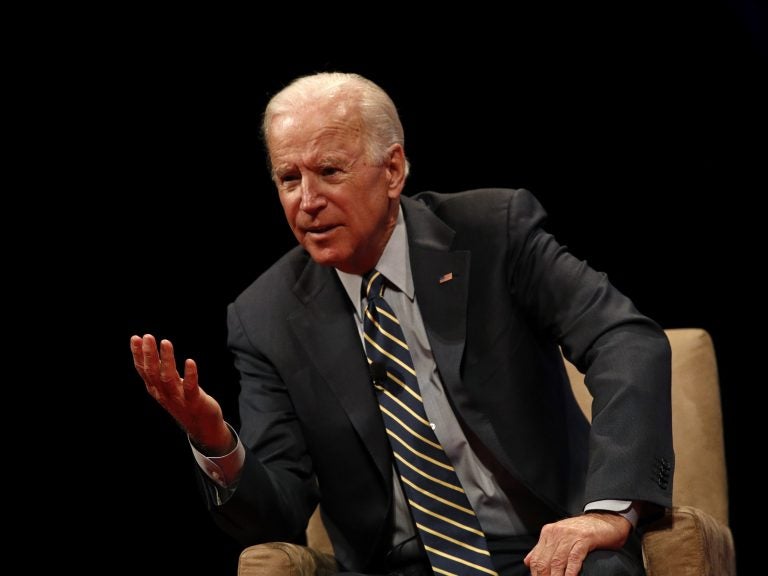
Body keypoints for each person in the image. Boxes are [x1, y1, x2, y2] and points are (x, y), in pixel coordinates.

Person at [131, 72, 673, 576]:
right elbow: (279, 513)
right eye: (288, 177)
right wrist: (215, 441)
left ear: (392, 170)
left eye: (329, 171)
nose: (308, 201)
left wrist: (605, 512)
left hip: (543, 545)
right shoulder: (264, 315)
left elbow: (623, 339)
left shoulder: (493, 233)